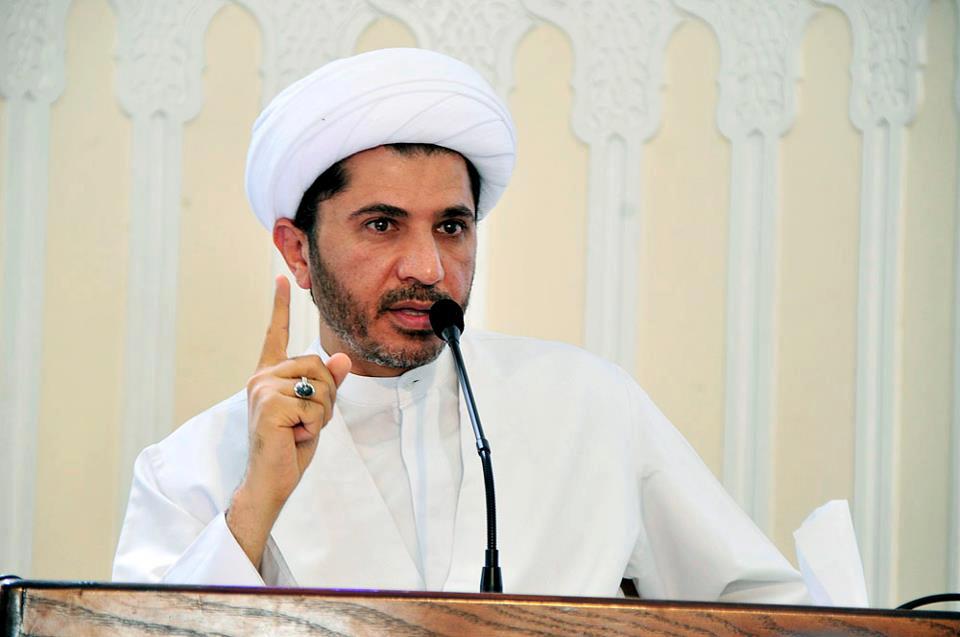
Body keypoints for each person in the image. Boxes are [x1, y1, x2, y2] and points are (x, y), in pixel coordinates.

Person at [113, 48, 808, 602]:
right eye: (382, 225)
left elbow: (763, 607)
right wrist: (252, 508)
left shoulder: (590, 406)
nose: (428, 267)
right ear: (298, 250)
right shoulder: (195, 465)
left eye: (451, 227)